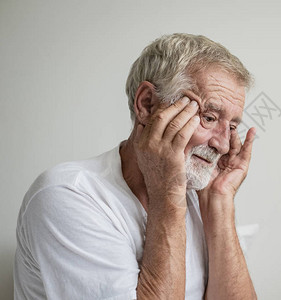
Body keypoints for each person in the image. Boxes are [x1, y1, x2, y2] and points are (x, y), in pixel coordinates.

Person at [14, 33, 257, 299]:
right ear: (147, 104)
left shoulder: (202, 195)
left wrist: (220, 201)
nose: (223, 145)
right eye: (209, 117)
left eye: (232, 126)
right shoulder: (66, 195)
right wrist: (166, 194)